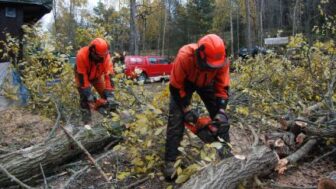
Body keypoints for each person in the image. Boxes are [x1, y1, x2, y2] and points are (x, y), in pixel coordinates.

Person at [164, 34, 231, 179]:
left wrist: (221, 112)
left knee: (222, 121)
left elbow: (222, 88)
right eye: (208, 65)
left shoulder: (222, 60)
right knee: (176, 119)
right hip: (185, 84)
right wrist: (186, 109)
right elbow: (175, 87)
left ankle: (227, 153)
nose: (211, 67)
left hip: (208, 82)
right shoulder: (184, 56)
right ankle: (171, 161)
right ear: (200, 55)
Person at [74, 38, 118, 124]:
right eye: (99, 57)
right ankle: (86, 122)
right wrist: (89, 96)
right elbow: (83, 79)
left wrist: (110, 95)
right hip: (82, 75)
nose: (101, 59)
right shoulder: (81, 55)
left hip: (97, 76)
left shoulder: (105, 56)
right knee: (85, 97)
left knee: (105, 94)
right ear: (92, 51)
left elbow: (109, 75)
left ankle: (114, 118)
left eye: (103, 56)